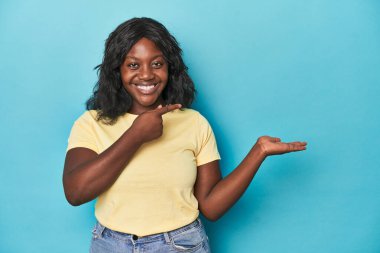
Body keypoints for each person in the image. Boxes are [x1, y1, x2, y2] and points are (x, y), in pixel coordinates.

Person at [63, 17, 307, 253]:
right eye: (133, 65)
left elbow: (210, 206)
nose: (147, 74)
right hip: (110, 246)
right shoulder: (91, 124)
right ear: (117, 71)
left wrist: (259, 152)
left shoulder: (194, 123)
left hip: (180, 245)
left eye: (157, 64)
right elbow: (75, 193)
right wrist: (135, 135)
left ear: (170, 68)